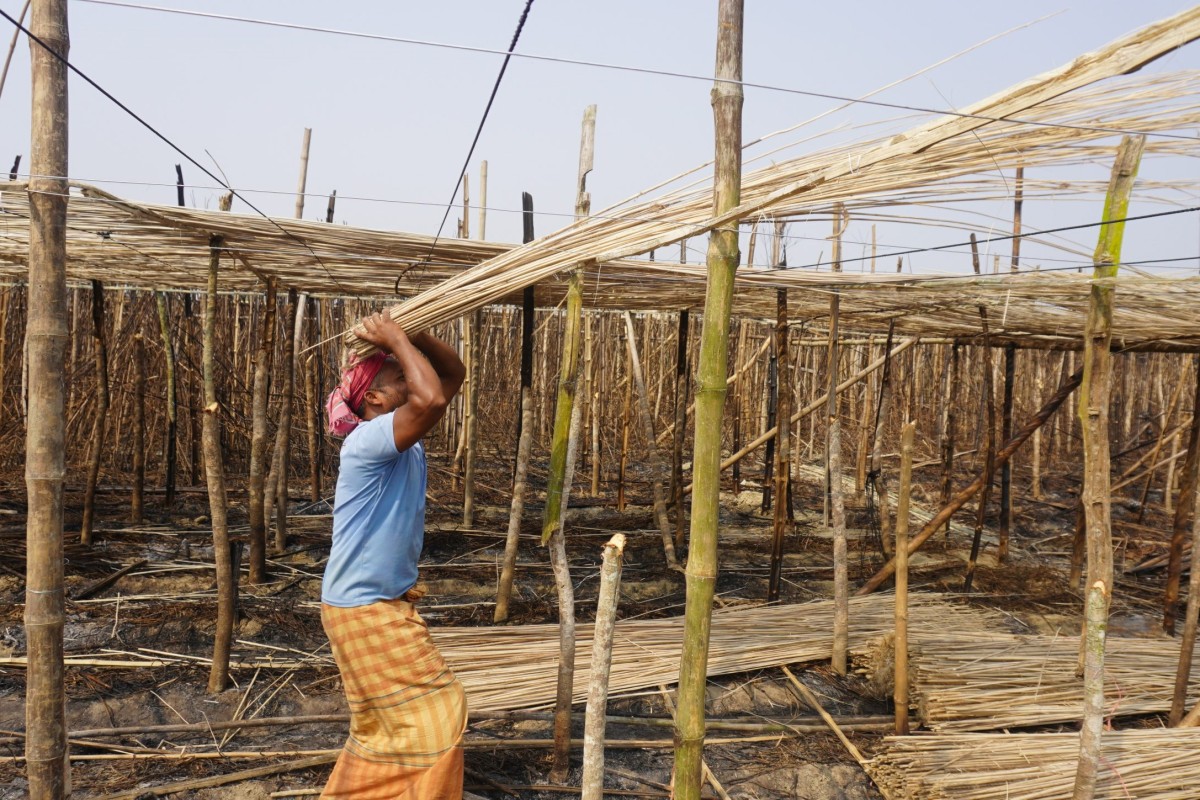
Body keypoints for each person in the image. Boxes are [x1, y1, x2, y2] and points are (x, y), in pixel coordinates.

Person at [319, 311, 467, 800]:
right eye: (398, 376)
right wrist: (397, 338)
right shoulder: (369, 442)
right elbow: (432, 395)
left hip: (373, 605)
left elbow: (452, 377)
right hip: (364, 609)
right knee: (438, 715)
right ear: (376, 400)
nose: (412, 376)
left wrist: (419, 330)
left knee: (387, 729)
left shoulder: (402, 435)